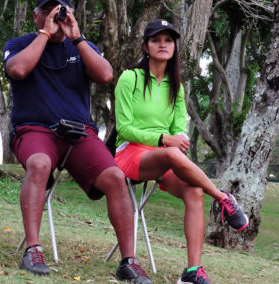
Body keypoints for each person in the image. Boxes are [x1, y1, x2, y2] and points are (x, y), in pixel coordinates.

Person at [3, 1, 152, 283]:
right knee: (39, 163)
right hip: (34, 130)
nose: (54, 17)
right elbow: (18, 70)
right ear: (36, 16)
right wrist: (44, 35)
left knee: (115, 177)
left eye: (60, 11)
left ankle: (128, 261)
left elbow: (106, 75)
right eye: (47, 11)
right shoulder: (19, 43)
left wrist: (78, 38)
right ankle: (34, 249)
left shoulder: (80, 47)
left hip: (80, 133)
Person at [114, 19, 249, 284]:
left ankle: (191, 272)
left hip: (164, 155)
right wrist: (164, 138)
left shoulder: (177, 86)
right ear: (146, 46)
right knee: (174, 155)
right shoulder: (130, 78)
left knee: (194, 190)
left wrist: (180, 138)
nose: (163, 45)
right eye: (156, 40)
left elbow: (180, 129)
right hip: (130, 154)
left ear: (174, 47)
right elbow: (124, 128)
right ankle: (223, 199)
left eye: (168, 40)